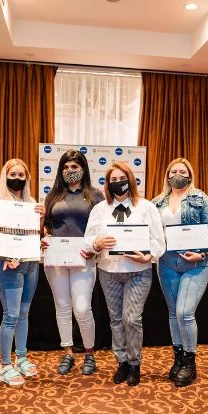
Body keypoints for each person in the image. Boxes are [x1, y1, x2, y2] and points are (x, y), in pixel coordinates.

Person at [84, 162, 165, 386]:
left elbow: (158, 241)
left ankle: (135, 363)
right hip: (108, 271)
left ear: (130, 180)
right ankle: (122, 362)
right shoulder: (100, 209)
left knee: (132, 318)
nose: (118, 183)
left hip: (138, 272)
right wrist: (97, 243)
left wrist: (148, 256)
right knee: (116, 319)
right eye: (114, 180)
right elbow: (88, 239)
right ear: (107, 184)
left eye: (122, 178)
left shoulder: (146, 207)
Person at [152, 158, 208, 387]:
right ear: (167, 175)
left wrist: (202, 253)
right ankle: (178, 357)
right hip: (167, 263)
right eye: (173, 171)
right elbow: (152, 232)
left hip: (195, 264)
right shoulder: (156, 202)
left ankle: (190, 360)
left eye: (182, 171)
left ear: (190, 175)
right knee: (173, 313)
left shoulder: (202, 198)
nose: (177, 175)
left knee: (185, 312)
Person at [43, 150, 103, 376]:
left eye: (75, 167)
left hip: (84, 259)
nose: (70, 171)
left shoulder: (95, 195)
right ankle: (68, 352)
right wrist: (45, 238)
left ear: (83, 169)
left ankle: (89, 353)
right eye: (66, 167)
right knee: (62, 307)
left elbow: (102, 228)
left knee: (82, 308)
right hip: (57, 259)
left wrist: (94, 249)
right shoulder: (53, 196)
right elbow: (47, 226)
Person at [0, 159, 44, 386]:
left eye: (21, 175)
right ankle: (4, 365)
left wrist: (41, 222)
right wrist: (5, 253)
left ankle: (21, 357)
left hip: (30, 263)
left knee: (24, 313)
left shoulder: (31, 202)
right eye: (12, 174)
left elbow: (33, 234)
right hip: (8, 264)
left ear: (27, 178)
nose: (17, 179)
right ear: (5, 176)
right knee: (11, 315)